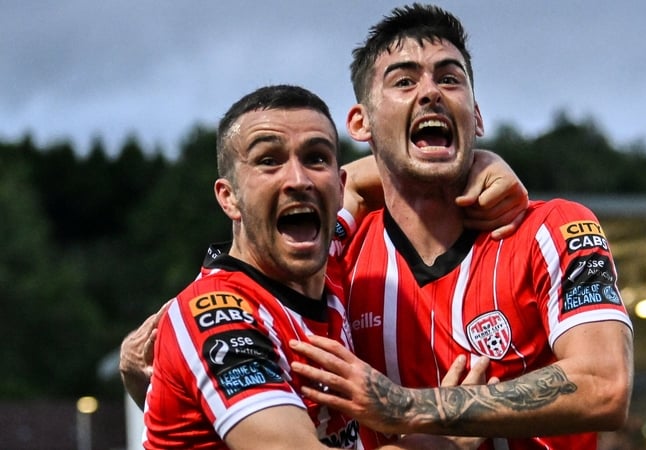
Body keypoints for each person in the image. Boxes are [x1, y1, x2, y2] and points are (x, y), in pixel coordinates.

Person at [288, 4, 634, 450]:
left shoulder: (552, 228)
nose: (431, 93)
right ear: (361, 122)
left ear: (477, 116)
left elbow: (605, 384)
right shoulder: (339, 256)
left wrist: (406, 406)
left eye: (450, 79)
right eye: (404, 81)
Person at [136, 83, 515, 449]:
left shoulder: (325, 251)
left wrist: (478, 165)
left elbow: (367, 183)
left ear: (338, 183)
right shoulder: (216, 315)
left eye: (316, 158)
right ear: (229, 197)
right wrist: (443, 441)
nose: (298, 180)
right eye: (269, 161)